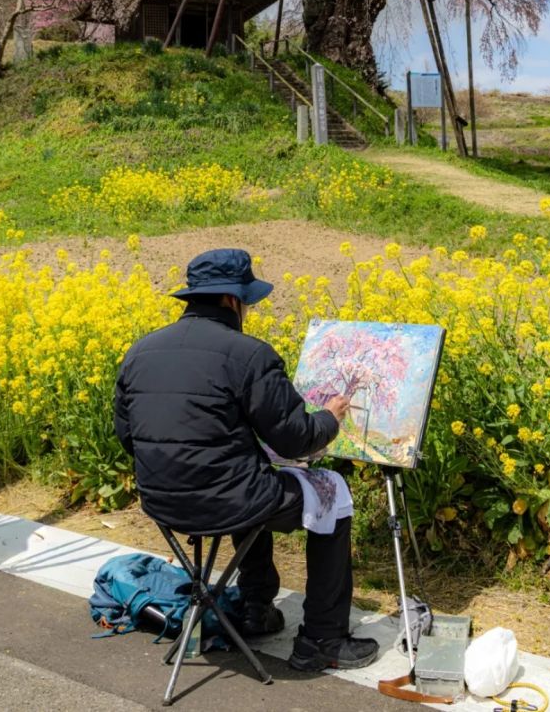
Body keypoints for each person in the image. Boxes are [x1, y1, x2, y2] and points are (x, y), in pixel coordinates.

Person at [114, 247, 379, 672]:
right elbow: (296, 440)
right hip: (229, 501)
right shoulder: (250, 355)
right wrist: (330, 417)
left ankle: (257, 608)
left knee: (246, 477)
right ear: (232, 301)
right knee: (332, 494)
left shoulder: (140, 351)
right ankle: (323, 639)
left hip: (162, 503)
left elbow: (129, 437)